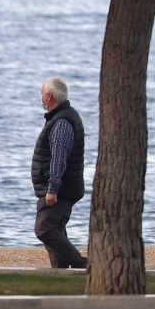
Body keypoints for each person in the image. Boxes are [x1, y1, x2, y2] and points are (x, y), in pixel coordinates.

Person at [31, 77, 87, 269]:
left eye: (41, 94)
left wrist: (53, 188)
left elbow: (59, 157)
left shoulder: (62, 121)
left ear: (49, 96)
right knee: (56, 229)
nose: (41, 97)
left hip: (59, 189)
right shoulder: (62, 117)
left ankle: (81, 264)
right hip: (62, 187)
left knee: (44, 229)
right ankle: (60, 273)